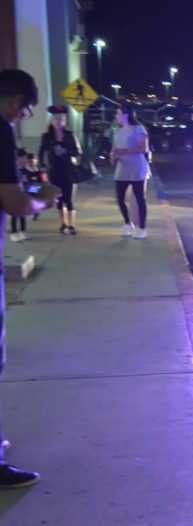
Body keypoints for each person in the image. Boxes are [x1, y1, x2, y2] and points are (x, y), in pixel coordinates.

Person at [0, 69, 61, 488]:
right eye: (24, 109)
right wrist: (44, 201)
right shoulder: (0, 131)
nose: (22, 117)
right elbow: (14, 201)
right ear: (14, 100)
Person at [38, 105, 81, 235]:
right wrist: (42, 166)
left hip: (68, 171)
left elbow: (77, 152)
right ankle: (63, 224)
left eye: (61, 119)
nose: (58, 121)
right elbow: (41, 153)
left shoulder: (70, 135)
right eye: (56, 118)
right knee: (59, 199)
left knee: (69, 199)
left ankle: (72, 225)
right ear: (52, 120)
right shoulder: (47, 136)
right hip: (54, 171)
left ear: (65, 121)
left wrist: (65, 151)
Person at [111, 105, 150, 239]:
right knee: (120, 198)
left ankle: (142, 228)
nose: (116, 116)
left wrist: (125, 151)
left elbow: (143, 148)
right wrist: (113, 156)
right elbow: (114, 148)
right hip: (122, 167)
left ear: (126, 115)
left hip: (137, 168)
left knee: (140, 198)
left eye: (118, 113)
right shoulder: (117, 131)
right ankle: (128, 223)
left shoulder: (138, 129)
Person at [8, 148, 28, 242]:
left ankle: (23, 232)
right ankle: (14, 233)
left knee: (23, 214)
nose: (25, 160)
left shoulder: (24, 169)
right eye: (24, 157)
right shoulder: (12, 169)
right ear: (19, 158)